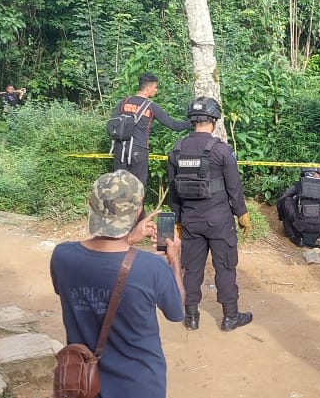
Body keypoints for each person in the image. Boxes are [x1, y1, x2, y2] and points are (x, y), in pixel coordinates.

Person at [50, 170, 185, 398]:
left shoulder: (62, 256)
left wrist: (129, 238)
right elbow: (176, 311)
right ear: (138, 210)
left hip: (84, 383)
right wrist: (174, 260)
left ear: (91, 205)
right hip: (139, 387)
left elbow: (97, 266)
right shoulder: (152, 267)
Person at [167, 96, 254, 332]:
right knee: (225, 267)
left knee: (192, 269)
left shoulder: (176, 150)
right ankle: (230, 318)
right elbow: (234, 188)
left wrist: (176, 221)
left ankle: (191, 317)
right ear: (214, 120)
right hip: (219, 221)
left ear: (192, 121)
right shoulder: (221, 151)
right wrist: (242, 214)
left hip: (190, 221)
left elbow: (173, 192)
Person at [110, 72, 193, 186]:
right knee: (138, 187)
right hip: (139, 149)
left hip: (120, 148)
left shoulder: (124, 102)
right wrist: (194, 123)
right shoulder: (151, 106)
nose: (156, 90)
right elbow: (174, 125)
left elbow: (113, 123)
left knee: (118, 186)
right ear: (148, 88)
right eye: (155, 87)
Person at [275, 167, 320, 247]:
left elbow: (283, 198)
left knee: (286, 200)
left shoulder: (299, 184)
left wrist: (282, 216)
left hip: (300, 224)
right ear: (317, 174)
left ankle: (295, 237)